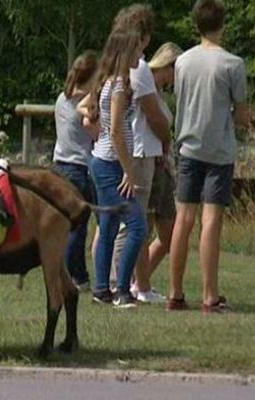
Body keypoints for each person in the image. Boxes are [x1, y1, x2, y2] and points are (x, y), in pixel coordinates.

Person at [168, 0, 249, 313]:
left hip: (188, 147)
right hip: (219, 151)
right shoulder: (233, 64)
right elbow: (242, 116)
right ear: (222, 25)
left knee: (183, 219)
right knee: (210, 220)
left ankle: (175, 293)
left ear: (197, 25)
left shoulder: (182, 62)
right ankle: (209, 295)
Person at [78, 29, 148, 308]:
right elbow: (117, 131)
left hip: (103, 161)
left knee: (107, 227)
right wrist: (129, 171)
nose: (140, 55)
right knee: (137, 225)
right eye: (137, 50)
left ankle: (101, 290)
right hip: (110, 165)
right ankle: (122, 290)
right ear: (125, 52)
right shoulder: (118, 85)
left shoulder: (108, 81)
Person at [110, 4, 172, 304]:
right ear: (143, 37)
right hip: (141, 151)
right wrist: (167, 139)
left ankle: (124, 282)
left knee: (123, 221)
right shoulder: (140, 68)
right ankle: (120, 284)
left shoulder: (115, 64)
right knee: (134, 222)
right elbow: (154, 115)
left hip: (129, 150)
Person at [53, 50, 100, 292]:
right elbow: (95, 131)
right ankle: (77, 277)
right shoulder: (85, 103)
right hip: (79, 168)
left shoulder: (63, 98)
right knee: (78, 228)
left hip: (60, 165)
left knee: (66, 226)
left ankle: (69, 273)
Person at [144, 42, 183, 281]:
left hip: (164, 167)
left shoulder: (160, 92)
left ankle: (140, 278)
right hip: (154, 164)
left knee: (168, 235)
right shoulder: (146, 86)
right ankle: (135, 281)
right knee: (146, 229)